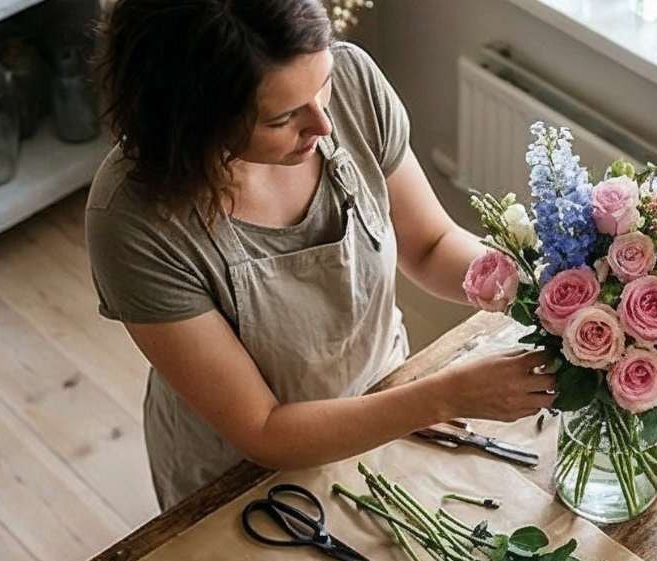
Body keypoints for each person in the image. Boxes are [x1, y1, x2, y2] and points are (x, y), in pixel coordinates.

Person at [87, 0, 553, 510]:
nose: (324, 124)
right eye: (283, 117)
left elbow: (430, 245)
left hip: (388, 394)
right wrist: (444, 396)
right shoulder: (132, 221)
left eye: (323, 84)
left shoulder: (352, 82)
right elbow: (264, 429)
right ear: (192, 119)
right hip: (244, 475)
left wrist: (546, 290)